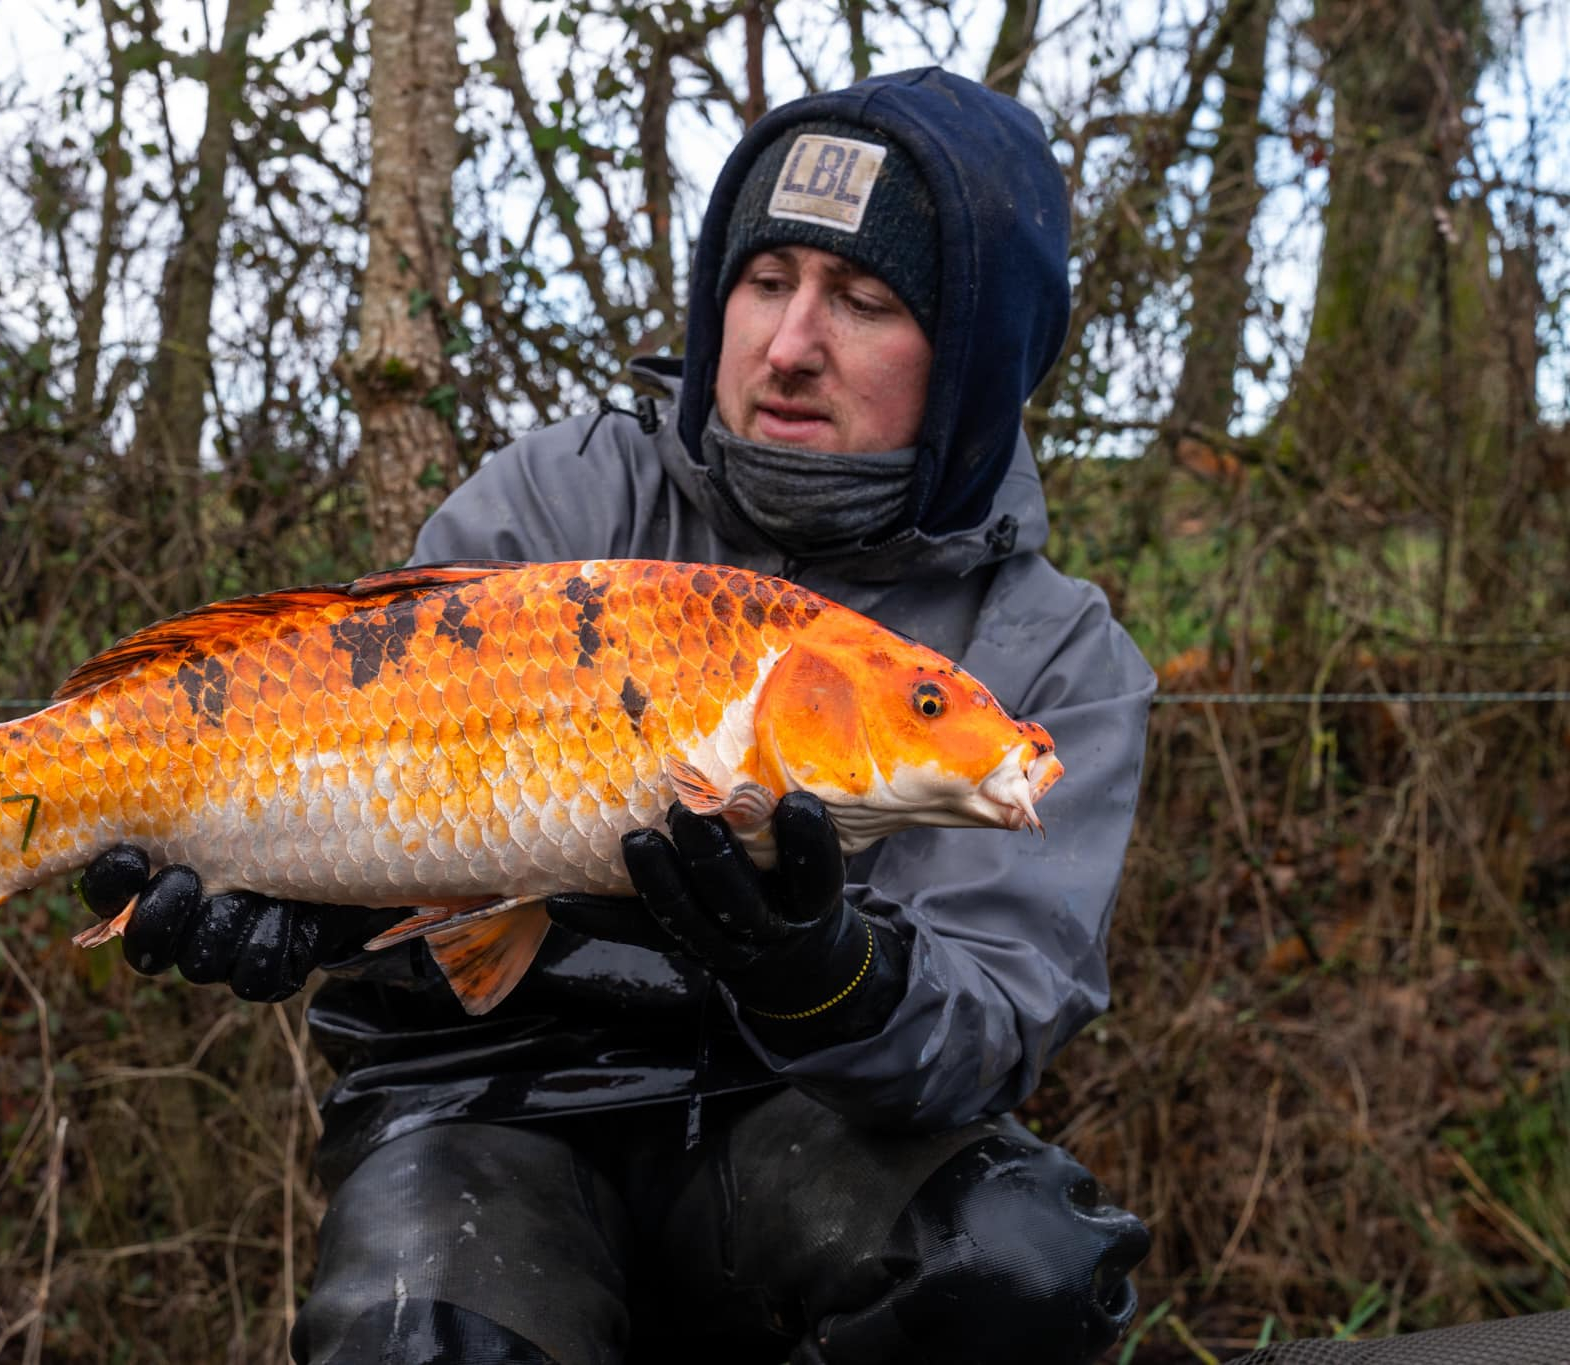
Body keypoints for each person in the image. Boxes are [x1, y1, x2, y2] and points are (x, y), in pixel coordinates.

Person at [78, 67, 1157, 1364]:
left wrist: (823, 970)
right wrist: (321, 902)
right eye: (766, 281)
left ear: (980, 359)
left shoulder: (1055, 657)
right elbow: (369, 796)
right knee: (423, 1343)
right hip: (484, 1099)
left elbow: (990, 1025)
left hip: (802, 1115)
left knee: (1024, 1267)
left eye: (865, 301)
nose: (790, 344)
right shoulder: (554, 503)